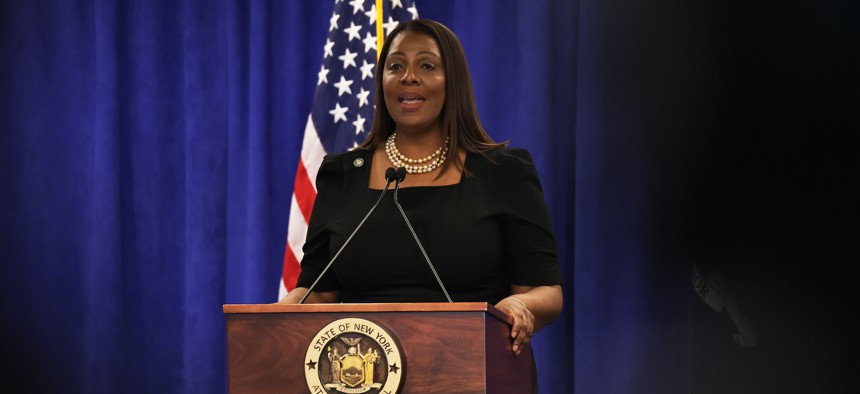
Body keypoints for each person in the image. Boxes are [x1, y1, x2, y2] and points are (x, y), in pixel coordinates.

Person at [279, 19, 563, 391]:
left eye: (427, 65)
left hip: (472, 373)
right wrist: (278, 317)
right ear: (382, 82)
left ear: (453, 81)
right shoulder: (342, 174)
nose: (408, 76)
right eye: (396, 66)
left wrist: (517, 307)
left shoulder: (503, 172)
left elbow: (545, 291)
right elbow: (319, 290)